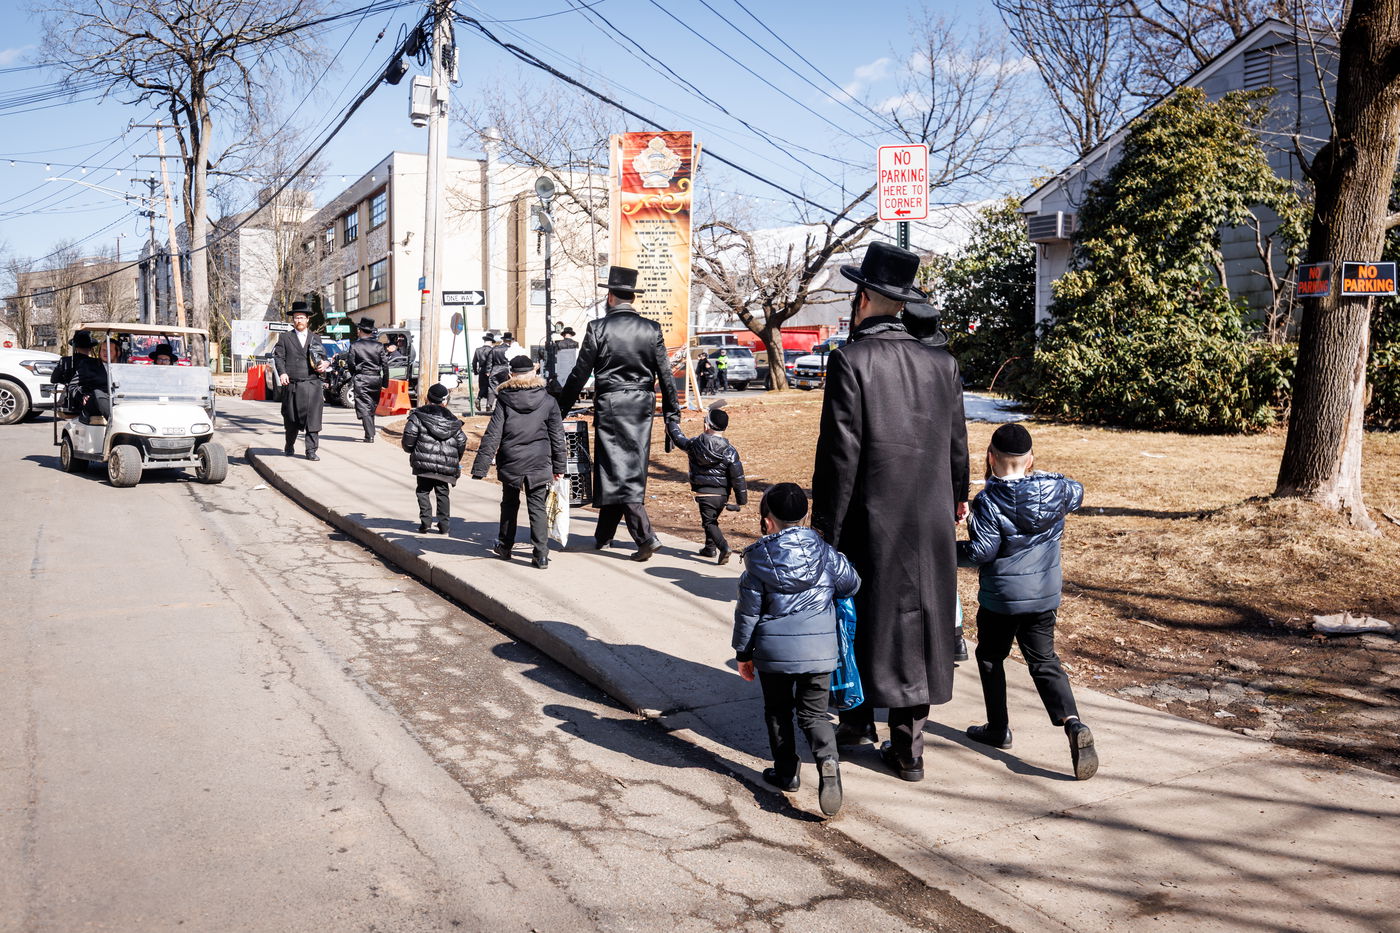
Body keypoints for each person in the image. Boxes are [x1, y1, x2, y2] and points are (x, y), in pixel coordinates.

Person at [810, 241, 969, 783]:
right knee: (920, 621)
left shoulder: (850, 360)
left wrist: (826, 528)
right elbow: (957, 444)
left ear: (863, 298)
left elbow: (840, 455)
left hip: (870, 515)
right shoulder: (943, 363)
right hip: (930, 515)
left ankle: (857, 720)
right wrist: (957, 499)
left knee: (859, 614)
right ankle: (909, 748)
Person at [959, 423, 1096, 780]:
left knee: (991, 656)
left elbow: (981, 551)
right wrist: (1043, 477)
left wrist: (944, 550)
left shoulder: (988, 501)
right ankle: (1073, 722)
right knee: (1044, 660)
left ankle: (997, 728)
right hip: (1043, 595)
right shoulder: (1057, 490)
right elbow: (1077, 490)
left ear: (991, 458)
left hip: (1002, 599)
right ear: (1031, 459)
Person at [733, 483, 860, 818]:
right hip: (820, 650)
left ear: (767, 521)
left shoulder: (757, 560)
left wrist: (743, 654)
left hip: (773, 652)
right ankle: (827, 761)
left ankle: (787, 772)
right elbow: (852, 584)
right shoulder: (826, 554)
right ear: (805, 517)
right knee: (814, 714)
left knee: (778, 711)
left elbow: (748, 614)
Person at [556, 265, 681, 562]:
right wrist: (672, 415)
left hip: (612, 404)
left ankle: (645, 537)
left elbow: (579, 373)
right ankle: (604, 535)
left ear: (610, 297)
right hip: (642, 406)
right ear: (631, 297)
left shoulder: (598, 328)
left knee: (617, 469)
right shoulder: (651, 329)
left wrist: (559, 409)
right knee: (624, 466)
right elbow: (666, 375)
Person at [902, 301, 967, 662]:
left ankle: (920, 637)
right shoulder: (947, 365)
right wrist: (960, 492)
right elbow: (958, 437)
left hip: (901, 478)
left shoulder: (897, 365)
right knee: (941, 563)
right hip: (939, 481)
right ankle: (953, 634)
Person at [472, 356, 567, 569]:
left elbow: (493, 434)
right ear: (533, 372)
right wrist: (560, 466)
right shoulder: (548, 400)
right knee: (537, 506)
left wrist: (480, 467)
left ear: (511, 374)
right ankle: (541, 554)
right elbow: (557, 436)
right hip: (540, 460)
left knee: (509, 504)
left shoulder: (504, 399)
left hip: (511, 460)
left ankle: (505, 546)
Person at [665, 403, 748, 564]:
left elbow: (679, 439)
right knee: (713, 519)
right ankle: (709, 548)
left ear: (706, 425)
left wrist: (671, 423)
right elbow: (738, 478)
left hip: (705, 493)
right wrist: (741, 501)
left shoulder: (696, 444)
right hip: (722, 495)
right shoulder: (730, 451)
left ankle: (724, 547)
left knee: (709, 523)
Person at [402, 383, 468, 535]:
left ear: (427, 398)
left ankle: (425, 522)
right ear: (444, 401)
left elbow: (409, 438)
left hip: (423, 464)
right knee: (442, 493)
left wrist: (411, 450)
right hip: (446, 465)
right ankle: (444, 526)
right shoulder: (453, 420)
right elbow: (462, 441)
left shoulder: (418, 416)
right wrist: (455, 458)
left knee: (423, 492)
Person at [271, 300, 330, 460]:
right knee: (291, 420)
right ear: (293, 320)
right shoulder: (285, 338)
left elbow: (323, 357)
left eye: (302, 317)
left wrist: (325, 364)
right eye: (296, 317)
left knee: (313, 419)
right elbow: (279, 357)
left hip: (312, 384)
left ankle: (311, 451)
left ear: (307, 319)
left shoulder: (315, 338)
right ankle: (289, 444)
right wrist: (282, 373)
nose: (299, 320)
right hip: (293, 385)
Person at [50, 330, 110, 419]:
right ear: (90, 348)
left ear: (76, 347)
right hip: (89, 400)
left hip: (70, 402)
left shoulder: (65, 361)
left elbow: (54, 379)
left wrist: (67, 381)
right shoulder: (94, 363)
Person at [347, 317, 387, 443]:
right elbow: (385, 365)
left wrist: (354, 374)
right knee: (371, 406)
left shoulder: (355, 345)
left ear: (360, 330)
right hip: (376, 378)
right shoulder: (379, 346)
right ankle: (368, 434)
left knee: (364, 406)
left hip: (362, 377)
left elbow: (350, 363)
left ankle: (370, 434)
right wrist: (385, 382)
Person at [472, 332, 498, 414]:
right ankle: (488, 405)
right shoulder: (492, 350)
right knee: (491, 387)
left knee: (482, 387)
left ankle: (478, 398)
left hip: (481, 370)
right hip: (490, 371)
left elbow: (474, 362)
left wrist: (475, 371)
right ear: (491, 342)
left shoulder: (478, 350)